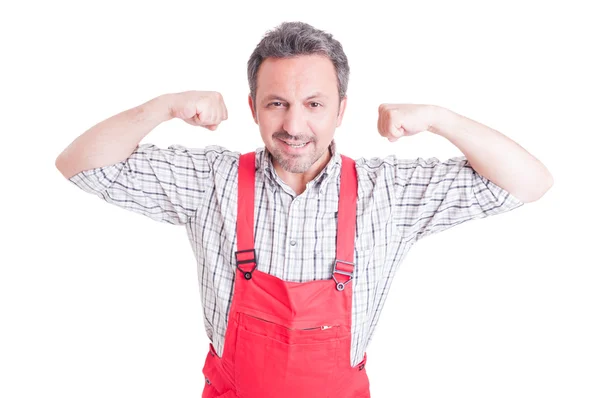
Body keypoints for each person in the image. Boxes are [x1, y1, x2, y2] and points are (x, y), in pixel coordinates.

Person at [55, 21, 553, 398]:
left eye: (314, 104)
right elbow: (80, 166)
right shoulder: (212, 181)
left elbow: (530, 183)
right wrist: (163, 107)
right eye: (277, 103)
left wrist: (441, 119)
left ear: (341, 109)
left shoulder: (389, 193)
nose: (294, 125)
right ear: (252, 108)